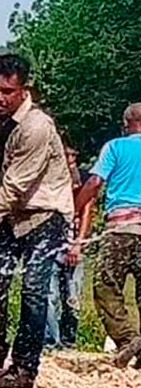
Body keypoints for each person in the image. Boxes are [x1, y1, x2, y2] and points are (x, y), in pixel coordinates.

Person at [0, 54, 74, 388]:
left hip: (45, 213)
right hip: (10, 213)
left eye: (7, 92)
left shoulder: (37, 127)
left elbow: (14, 186)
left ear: (24, 90)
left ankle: (24, 368)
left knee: (34, 291)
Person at [75, 103, 141, 367]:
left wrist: (74, 209)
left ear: (126, 123)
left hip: (121, 231)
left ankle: (127, 339)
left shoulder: (115, 147)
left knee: (105, 286)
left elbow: (94, 182)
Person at [44, 144, 94, 350]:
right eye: (66, 155)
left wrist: (78, 244)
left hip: (73, 244)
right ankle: (50, 341)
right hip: (51, 245)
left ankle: (68, 340)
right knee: (49, 294)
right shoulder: (50, 179)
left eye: (72, 154)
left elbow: (87, 213)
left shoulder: (83, 179)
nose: (69, 159)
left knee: (72, 297)